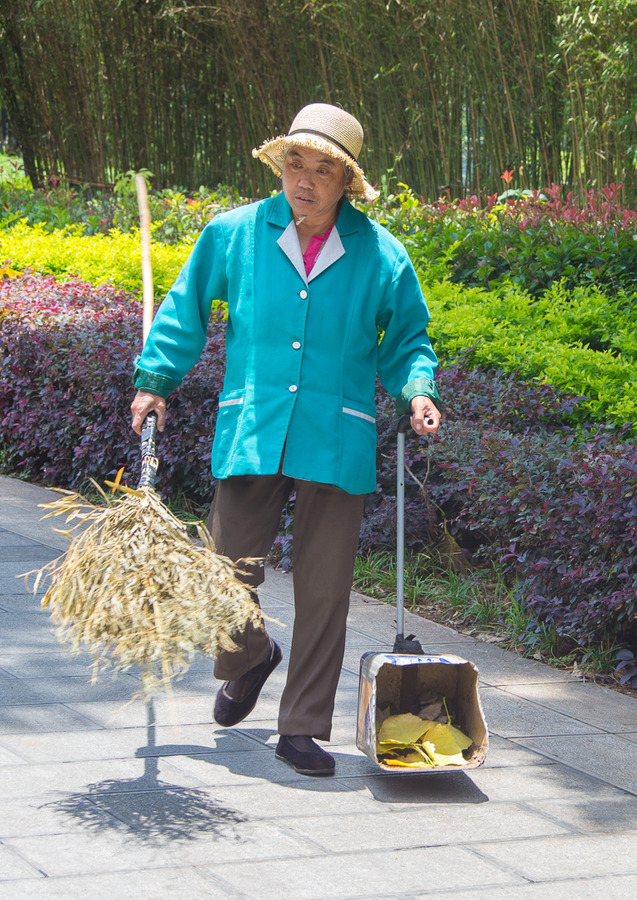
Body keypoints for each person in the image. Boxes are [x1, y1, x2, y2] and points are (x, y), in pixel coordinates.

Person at [131, 103, 441, 776]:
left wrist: (417, 390)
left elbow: (409, 339)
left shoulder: (380, 255)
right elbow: (184, 308)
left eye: (322, 169)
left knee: (324, 588)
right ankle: (247, 658)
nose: (304, 180)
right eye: (294, 164)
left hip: (338, 433)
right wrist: (156, 378)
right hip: (255, 421)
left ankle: (301, 728)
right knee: (222, 564)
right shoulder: (234, 234)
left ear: (345, 182)